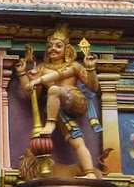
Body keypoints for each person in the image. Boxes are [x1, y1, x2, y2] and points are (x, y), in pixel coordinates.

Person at [17, 26, 101, 176]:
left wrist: (91, 69)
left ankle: (50, 123)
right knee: (77, 140)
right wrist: (23, 74)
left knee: (54, 90)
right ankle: (89, 171)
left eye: (58, 46)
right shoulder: (43, 68)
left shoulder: (73, 66)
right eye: (49, 46)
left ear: (67, 50)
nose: (52, 49)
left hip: (76, 100)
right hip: (58, 110)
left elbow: (92, 87)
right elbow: (32, 95)